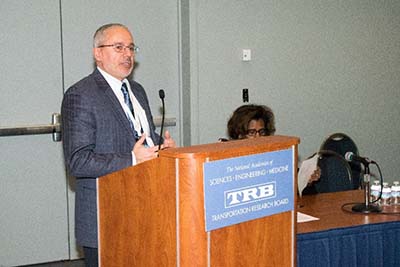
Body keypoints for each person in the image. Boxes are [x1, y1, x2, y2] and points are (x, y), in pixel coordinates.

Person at [61, 23, 176, 267]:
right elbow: (78, 161)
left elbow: (142, 138)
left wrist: (161, 148)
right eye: (119, 47)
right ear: (98, 53)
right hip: (105, 217)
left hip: (144, 209)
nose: (128, 54)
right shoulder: (80, 94)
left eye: (131, 48)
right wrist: (132, 159)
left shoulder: (137, 90)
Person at [225, 104, 320, 186]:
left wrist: (308, 178)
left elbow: (293, 187)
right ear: (239, 134)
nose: (258, 137)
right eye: (251, 132)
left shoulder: (275, 156)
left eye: (262, 132)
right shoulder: (228, 162)